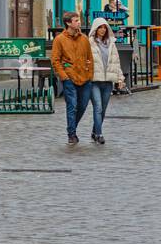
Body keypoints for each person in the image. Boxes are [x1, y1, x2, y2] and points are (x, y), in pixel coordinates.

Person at [50, 11, 93, 146]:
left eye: (79, 20)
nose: (79, 22)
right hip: (69, 77)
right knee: (72, 105)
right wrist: (64, 76)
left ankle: (72, 127)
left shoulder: (84, 39)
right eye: (76, 20)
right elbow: (55, 60)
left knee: (83, 105)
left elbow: (89, 58)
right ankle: (72, 134)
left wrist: (90, 74)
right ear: (68, 23)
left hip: (85, 78)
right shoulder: (59, 39)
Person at [88, 18, 125, 144]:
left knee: (103, 109)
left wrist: (120, 78)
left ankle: (94, 131)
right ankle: (99, 134)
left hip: (108, 81)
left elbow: (116, 62)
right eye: (100, 27)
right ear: (95, 29)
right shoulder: (90, 43)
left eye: (104, 27)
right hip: (94, 81)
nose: (102, 30)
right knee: (97, 108)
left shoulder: (111, 44)